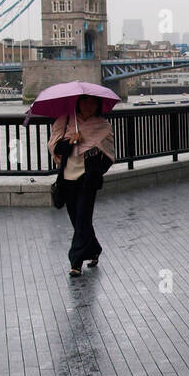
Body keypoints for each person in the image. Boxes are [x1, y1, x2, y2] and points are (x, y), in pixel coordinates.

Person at [49, 94, 116, 277]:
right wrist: (70, 142)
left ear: (98, 105)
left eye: (93, 103)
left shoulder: (103, 126)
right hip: (67, 178)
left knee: (82, 218)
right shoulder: (66, 122)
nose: (88, 105)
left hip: (87, 180)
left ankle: (76, 262)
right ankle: (94, 249)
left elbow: (109, 155)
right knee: (77, 220)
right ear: (78, 103)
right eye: (85, 102)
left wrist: (95, 172)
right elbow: (55, 149)